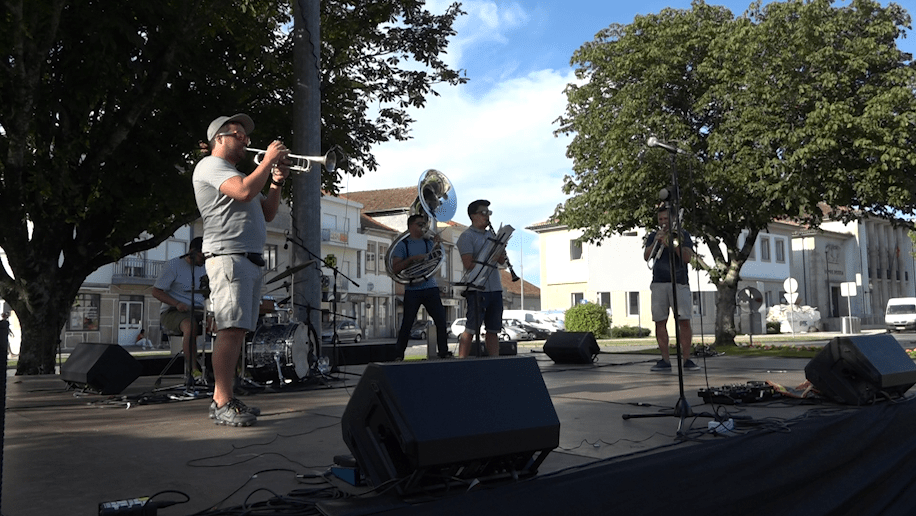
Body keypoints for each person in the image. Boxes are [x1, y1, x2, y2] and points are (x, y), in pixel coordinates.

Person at [193, 113, 289, 427]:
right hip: (228, 257)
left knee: (237, 331)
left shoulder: (238, 174)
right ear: (218, 138)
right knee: (230, 330)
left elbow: (269, 212)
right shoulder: (211, 166)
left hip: (244, 260)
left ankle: (227, 397)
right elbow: (244, 192)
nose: (246, 139)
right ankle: (221, 400)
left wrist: (275, 181)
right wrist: (267, 162)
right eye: (238, 134)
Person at [644, 205, 700, 372]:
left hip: (679, 281)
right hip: (659, 282)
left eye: (666, 219)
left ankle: (687, 360)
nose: (663, 223)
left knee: (684, 321)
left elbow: (687, 258)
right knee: (660, 321)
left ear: (673, 219)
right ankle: (665, 360)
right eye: (660, 220)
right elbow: (647, 257)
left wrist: (671, 243)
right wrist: (656, 241)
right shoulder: (653, 235)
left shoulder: (683, 235)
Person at [392, 214, 451, 360]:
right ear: (411, 226)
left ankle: (443, 351)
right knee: (407, 323)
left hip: (430, 287)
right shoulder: (402, 244)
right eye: (420, 224)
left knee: (441, 320)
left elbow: (436, 261)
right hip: (412, 288)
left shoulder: (428, 242)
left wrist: (437, 245)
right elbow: (395, 268)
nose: (423, 227)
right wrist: (412, 259)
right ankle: (399, 354)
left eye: (424, 224)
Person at [457, 200, 506, 358]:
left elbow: (502, 261)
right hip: (477, 288)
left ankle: (495, 362)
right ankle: (462, 362)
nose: (487, 216)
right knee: (471, 328)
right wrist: (488, 257)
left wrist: (500, 249)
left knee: (493, 329)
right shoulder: (467, 237)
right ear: (473, 216)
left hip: (495, 288)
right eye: (483, 213)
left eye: (488, 213)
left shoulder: (492, 235)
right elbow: (468, 264)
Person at [153, 236, 207, 378]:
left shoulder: (206, 267)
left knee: (225, 325)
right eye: (202, 256)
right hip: (172, 311)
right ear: (192, 252)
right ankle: (193, 369)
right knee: (190, 325)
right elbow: (156, 291)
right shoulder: (173, 265)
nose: (204, 260)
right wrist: (177, 304)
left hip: (199, 310)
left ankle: (232, 370)